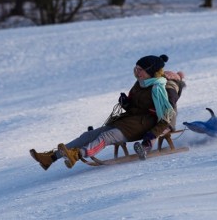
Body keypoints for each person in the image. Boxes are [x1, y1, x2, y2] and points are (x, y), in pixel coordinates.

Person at [30, 54, 185, 170]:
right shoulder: (140, 84)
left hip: (145, 126)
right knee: (89, 135)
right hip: (128, 121)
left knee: (106, 137)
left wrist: (152, 135)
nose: (137, 72)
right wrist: (126, 103)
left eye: (141, 70)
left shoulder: (160, 88)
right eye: (136, 69)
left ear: (151, 72)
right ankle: (51, 157)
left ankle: (77, 154)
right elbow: (135, 106)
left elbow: (167, 116)